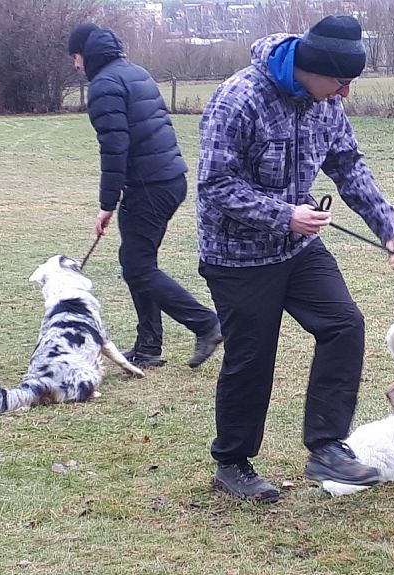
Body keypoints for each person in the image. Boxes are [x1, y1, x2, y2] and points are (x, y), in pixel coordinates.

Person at [197, 15, 394, 502]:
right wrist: (283, 215)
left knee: (344, 324)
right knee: (252, 358)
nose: (346, 94)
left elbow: (349, 167)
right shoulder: (239, 99)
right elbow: (214, 185)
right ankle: (232, 461)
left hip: (297, 248)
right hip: (237, 255)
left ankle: (326, 447)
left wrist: (391, 229)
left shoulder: (326, 105)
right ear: (312, 69)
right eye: (342, 82)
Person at [67, 23, 222, 369]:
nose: (76, 66)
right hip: (168, 179)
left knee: (137, 267)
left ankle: (205, 323)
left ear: (85, 54)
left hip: (150, 186)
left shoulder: (105, 86)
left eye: (75, 58)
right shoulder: (134, 73)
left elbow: (114, 147)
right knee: (138, 263)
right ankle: (149, 346)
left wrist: (107, 205)